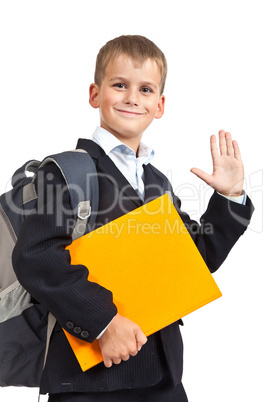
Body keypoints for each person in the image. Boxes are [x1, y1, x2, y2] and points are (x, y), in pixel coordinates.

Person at [12, 35, 254, 402]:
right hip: (90, 382)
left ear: (159, 105)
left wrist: (229, 197)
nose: (131, 98)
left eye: (145, 89)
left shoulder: (156, 182)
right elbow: (37, 257)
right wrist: (103, 323)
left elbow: (194, 260)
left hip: (164, 378)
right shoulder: (66, 170)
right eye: (119, 85)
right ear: (95, 94)